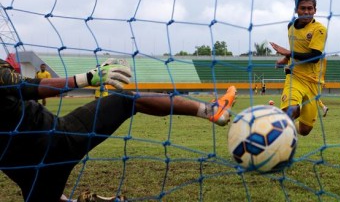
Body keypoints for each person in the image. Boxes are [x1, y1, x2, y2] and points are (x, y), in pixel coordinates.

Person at [0, 58, 236, 202]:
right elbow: (24, 85)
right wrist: (86, 78)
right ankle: (210, 110)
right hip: (58, 140)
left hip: (26, 172)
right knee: (126, 100)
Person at [270, 0, 327, 136]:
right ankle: (270, 133)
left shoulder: (319, 30)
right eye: (303, 8)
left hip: (314, 82)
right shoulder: (290, 26)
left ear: (315, 10)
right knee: (292, 111)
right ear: (296, 10)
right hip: (295, 77)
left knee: (304, 130)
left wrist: (289, 54)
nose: (307, 11)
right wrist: (286, 58)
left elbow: (314, 57)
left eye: (310, 8)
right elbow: (298, 49)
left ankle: (284, 123)